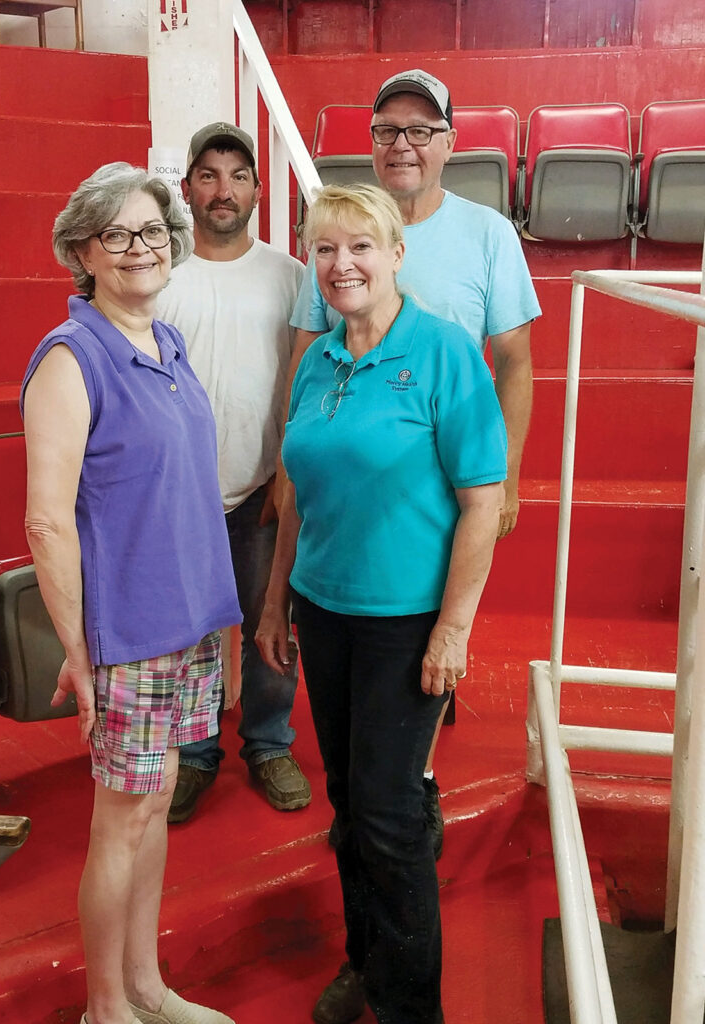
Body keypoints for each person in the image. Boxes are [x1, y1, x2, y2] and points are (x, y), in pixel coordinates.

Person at [256, 183, 507, 1024]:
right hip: (323, 613)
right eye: (325, 250)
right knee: (350, 804)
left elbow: (481, 500)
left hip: (407, 623)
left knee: (392, 816)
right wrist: (273, 603)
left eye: (360, 246)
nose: (341, 264)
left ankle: (409, 1009)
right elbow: (295, 492)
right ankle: (365, 961)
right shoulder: (319, 360)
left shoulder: (442, 352)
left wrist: (454, 629)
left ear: (396, 254)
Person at [288, 68, 541, 857]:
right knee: (375, 719)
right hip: (354, 501)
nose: (403, 144)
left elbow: (516, 363)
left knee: (424, 671)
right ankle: (385, 816)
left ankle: (403, 811)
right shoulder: (334, 239)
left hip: (443, 491)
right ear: (369, 144)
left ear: (449, 145)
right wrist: (286, 472)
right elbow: (306, 356)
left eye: (420, 131)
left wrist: (507, 479)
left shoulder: (488, 234)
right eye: (388, 130)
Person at [21, 162, 240, 1024]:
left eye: (152, 231)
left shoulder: (167, 341)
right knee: (121, 819)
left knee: (152, 806)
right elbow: (47, 522)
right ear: (84, 250)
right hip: (127, 635)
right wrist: (79, 651)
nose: (139, 247)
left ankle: (147, 987)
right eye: (117, 234)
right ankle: (105, 1007)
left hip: (184, 624)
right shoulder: (72, 358)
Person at [156, 122, 311, 821]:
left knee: (271, 621)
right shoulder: (159, 277)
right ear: (187, 188)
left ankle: (270, 743)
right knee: (188, 629)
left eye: (238, 175)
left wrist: (288, 472)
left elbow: (310, 382)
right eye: (209, 175)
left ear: (256, 188)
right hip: (178, 494)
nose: (224, 189)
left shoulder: (292, 278)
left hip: (264, 487)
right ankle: (193, 753)